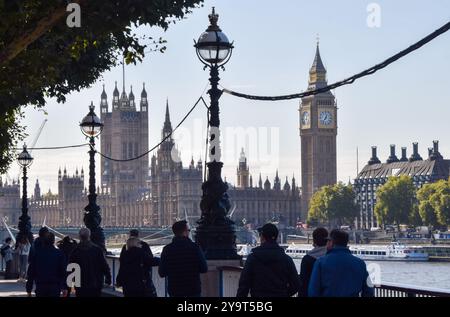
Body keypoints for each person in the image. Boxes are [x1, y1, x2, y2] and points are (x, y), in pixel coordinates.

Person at [237, 223, 300, 297]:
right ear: (276, 238)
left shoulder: (253, 258)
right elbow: (296, 284)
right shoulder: (287, 259)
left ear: (262, 237)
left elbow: (244, 285)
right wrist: (284, 294)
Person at [308, 229, 374, 297]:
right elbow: (369, 290)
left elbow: (313, 291)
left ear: (331, 242)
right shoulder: (360, 263)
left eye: (327, 241)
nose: (326, 243)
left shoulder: (320, 262)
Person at [159, 220, 208, 297]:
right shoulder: (195, 248)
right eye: (189, 230)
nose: (189, 232)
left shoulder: (167, 249)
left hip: (175, 290)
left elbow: (162, 272)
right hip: (193, 289)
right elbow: (204, 268)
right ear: (185, 232)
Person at [69, 228, 112, 297]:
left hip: (80, 284)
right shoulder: (97, 250)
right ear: (89, 236)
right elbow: (104, 266)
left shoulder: (75, 251)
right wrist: (108, 279)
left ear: (79, 237)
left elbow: (70, 268)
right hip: (95, 283)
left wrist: (69, 284)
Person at [119, 229, 159, 297]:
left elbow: (122, 265)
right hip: (142, 282)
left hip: (128, 284)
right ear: (138, 235)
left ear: (130, 235)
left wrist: (119, 280)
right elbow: (151, 260)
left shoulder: (125, 248)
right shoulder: (143, 249)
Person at [26, 233, 67, 297]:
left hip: (40, 286)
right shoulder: (59, 254)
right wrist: (64, 287)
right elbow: (63, 271)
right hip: (54, 286)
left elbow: (31, 272)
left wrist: (29, 289)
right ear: (53, 241)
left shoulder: (37, 254)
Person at [298, 227, 329, 297]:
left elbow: (303, 282)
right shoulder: (331, 257)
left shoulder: (307, 259)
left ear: (314, 240)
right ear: (327, 240)